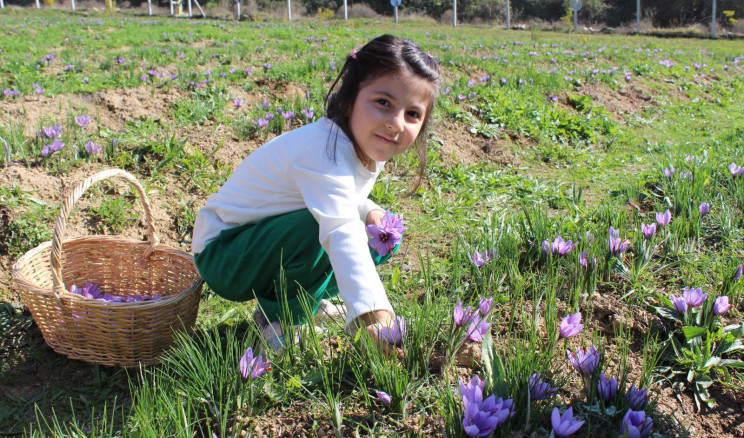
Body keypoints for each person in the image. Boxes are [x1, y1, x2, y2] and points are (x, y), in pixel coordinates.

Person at [191, 34, 442, 356]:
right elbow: (339, 228)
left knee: (383, 232)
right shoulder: (321, 150)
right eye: (383, 103)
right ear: (350, 99)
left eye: (412, 114)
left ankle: (306, 301)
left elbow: (341, 197)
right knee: (324, 227)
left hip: (260, 244)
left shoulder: (362, 144)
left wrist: (369, 211)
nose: (395, 123)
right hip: (225, 254)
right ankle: (282, 320)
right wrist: (375, 317)